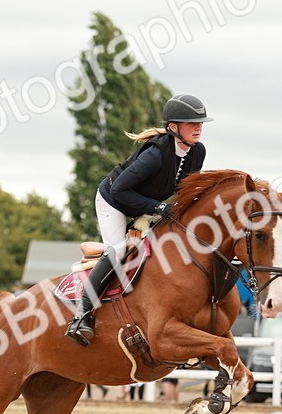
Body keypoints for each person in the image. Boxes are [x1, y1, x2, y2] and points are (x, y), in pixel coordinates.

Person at [65, 93, 211, 346]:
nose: (198, 128)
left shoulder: (198, 152)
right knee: (120, 249)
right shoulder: (154, 154)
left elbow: (187, 190)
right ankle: (82, 314)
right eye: (191, 123)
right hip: (114, 200)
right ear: (173, 127)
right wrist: (159, 208)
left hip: (146, 206)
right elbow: (120, 190)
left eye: (200, 123)